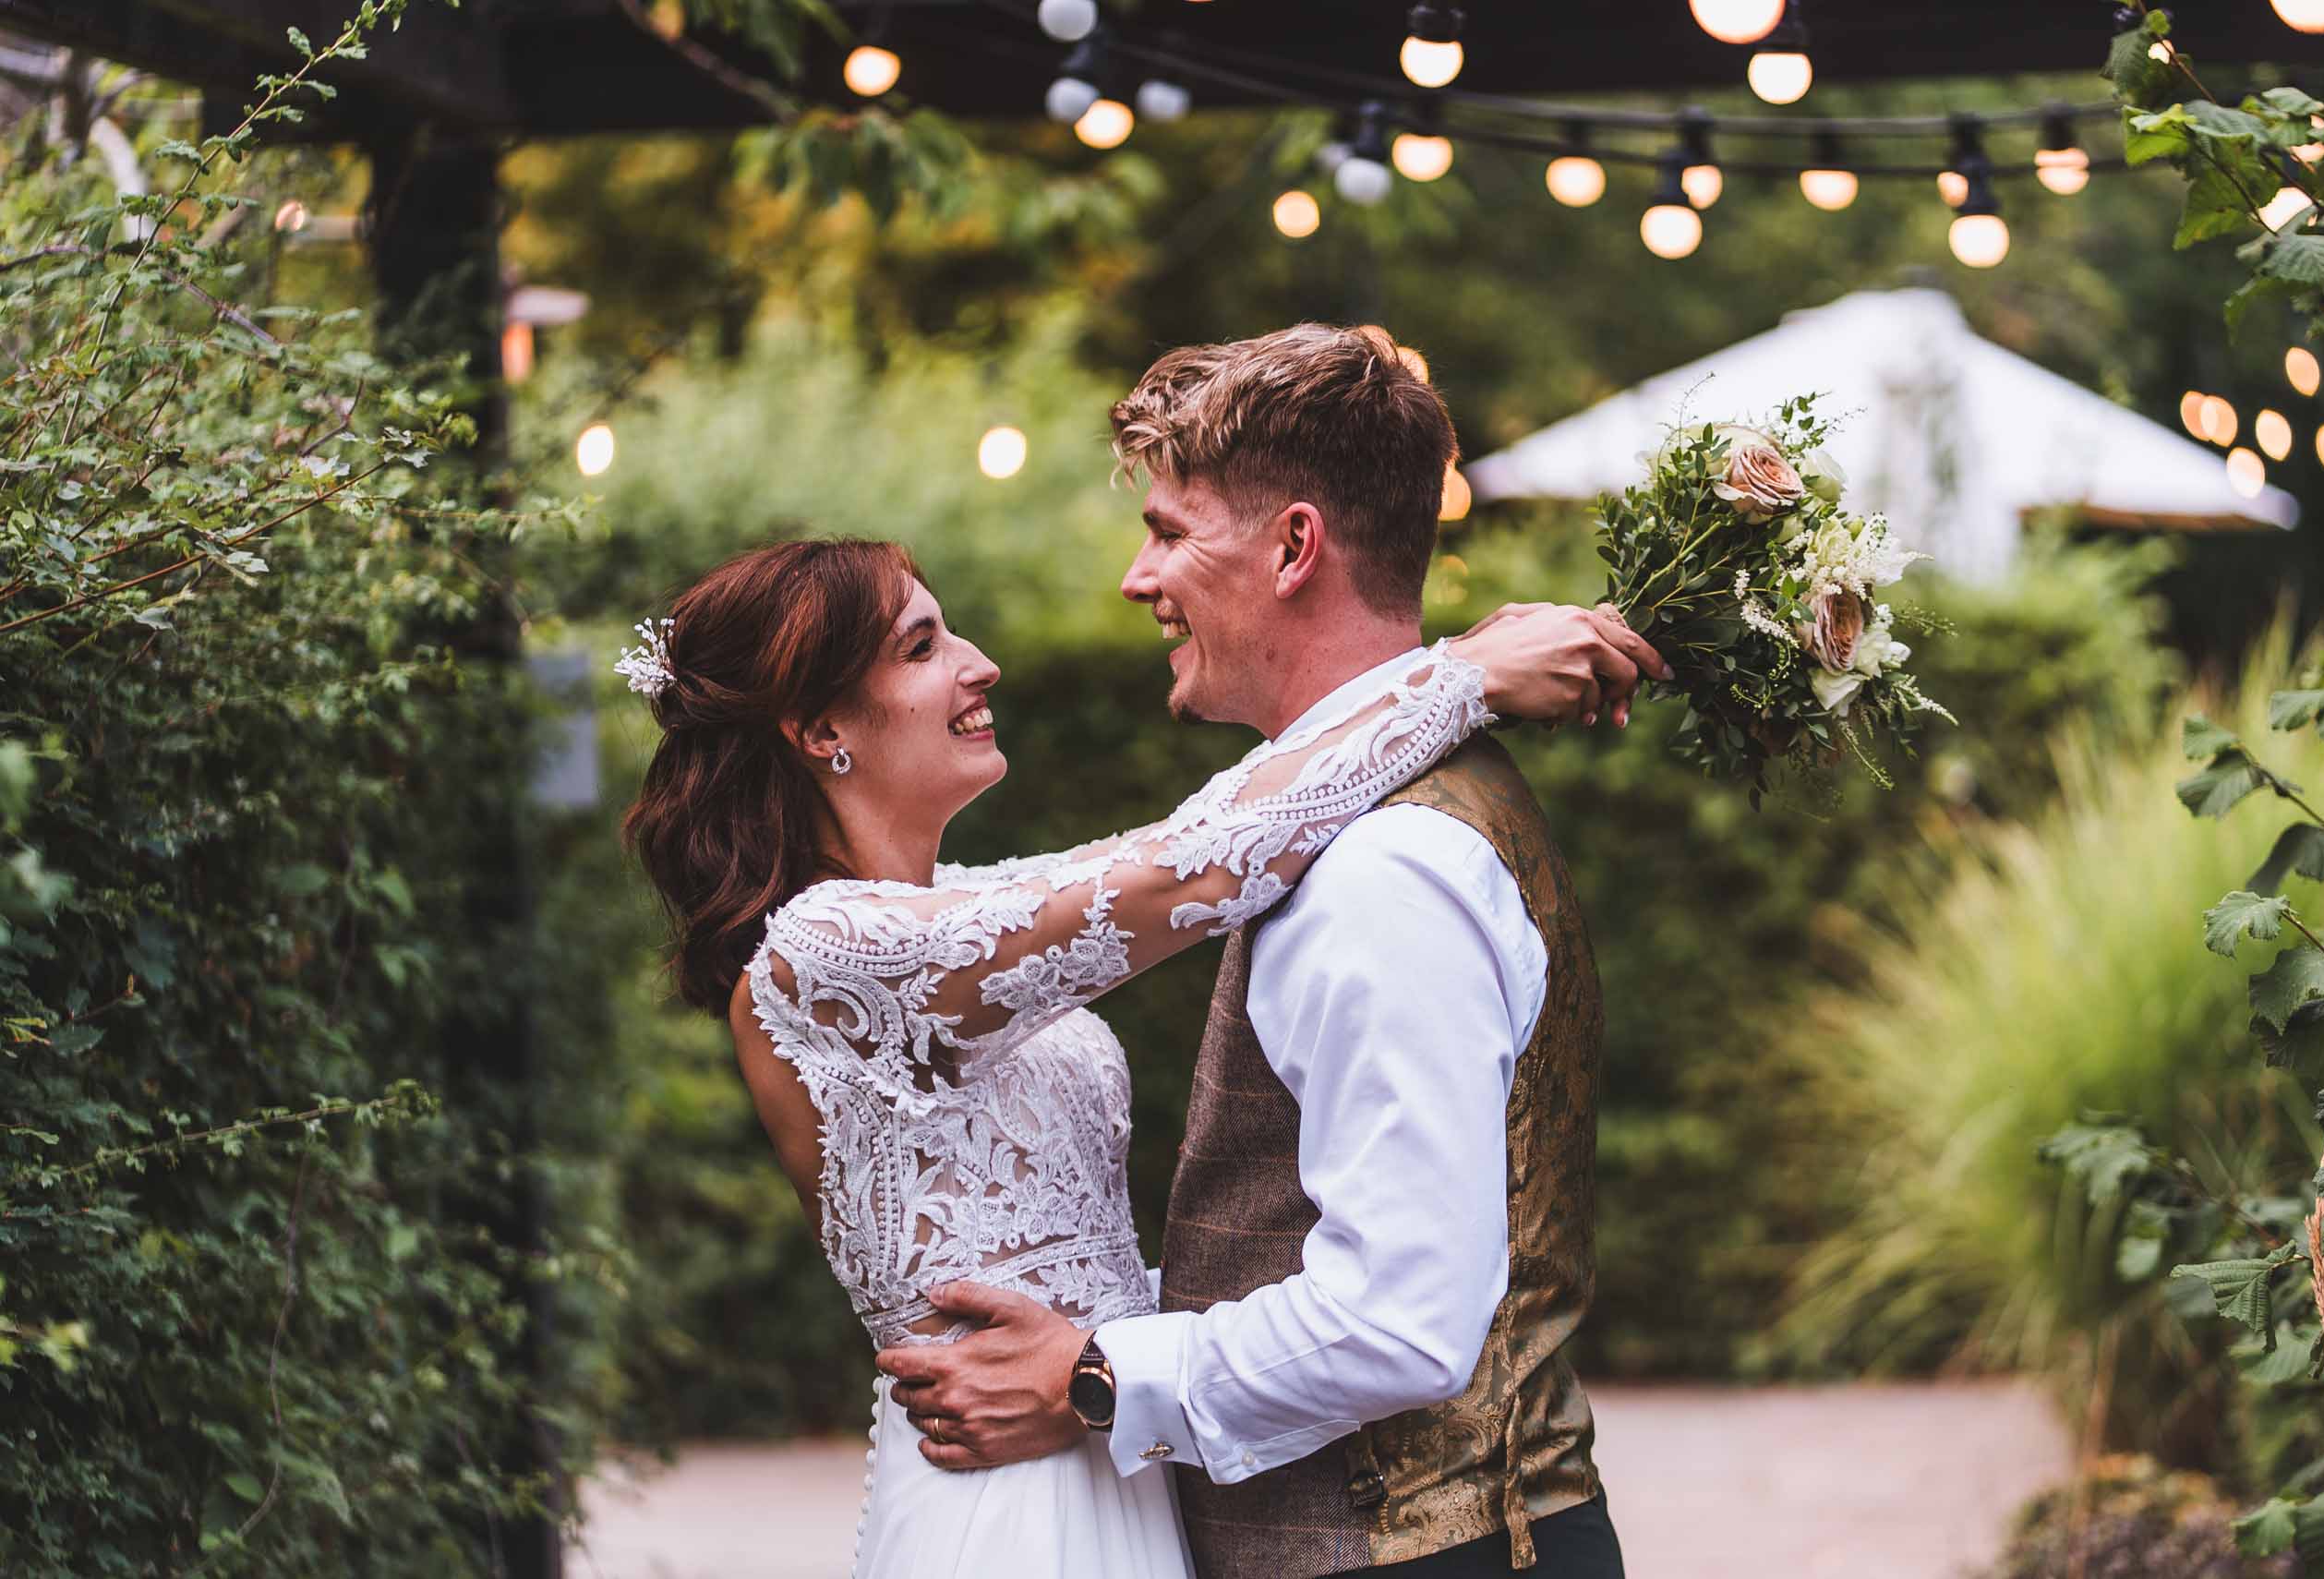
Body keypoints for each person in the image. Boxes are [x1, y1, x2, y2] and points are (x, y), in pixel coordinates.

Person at [619, 512, 1656, 1572]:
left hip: (1098, 1433)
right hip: (1013, 1501)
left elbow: (1193, 852)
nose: (981, 666)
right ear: (812, 726)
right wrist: (1460, 678)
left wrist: (1110, 1365)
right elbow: (1201, 861)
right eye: (923, 647)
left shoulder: (961, 907)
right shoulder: (826, 950)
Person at [874, 324, 1656, 1579]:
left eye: (1172, 531)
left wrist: (1091, 1373)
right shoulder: (1371, 823)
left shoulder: (1385, 870)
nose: (1140, 578)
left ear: (1296, 546)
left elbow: (1400, 1319)